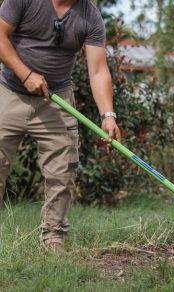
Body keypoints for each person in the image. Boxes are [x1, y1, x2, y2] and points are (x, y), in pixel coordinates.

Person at [0, 0, 121, 251]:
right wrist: (25, 74)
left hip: (57, 99)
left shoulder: (90, 16)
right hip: (9, 92)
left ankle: (53, 236)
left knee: (62, 171)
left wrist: (108, 115)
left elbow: (98, 71)